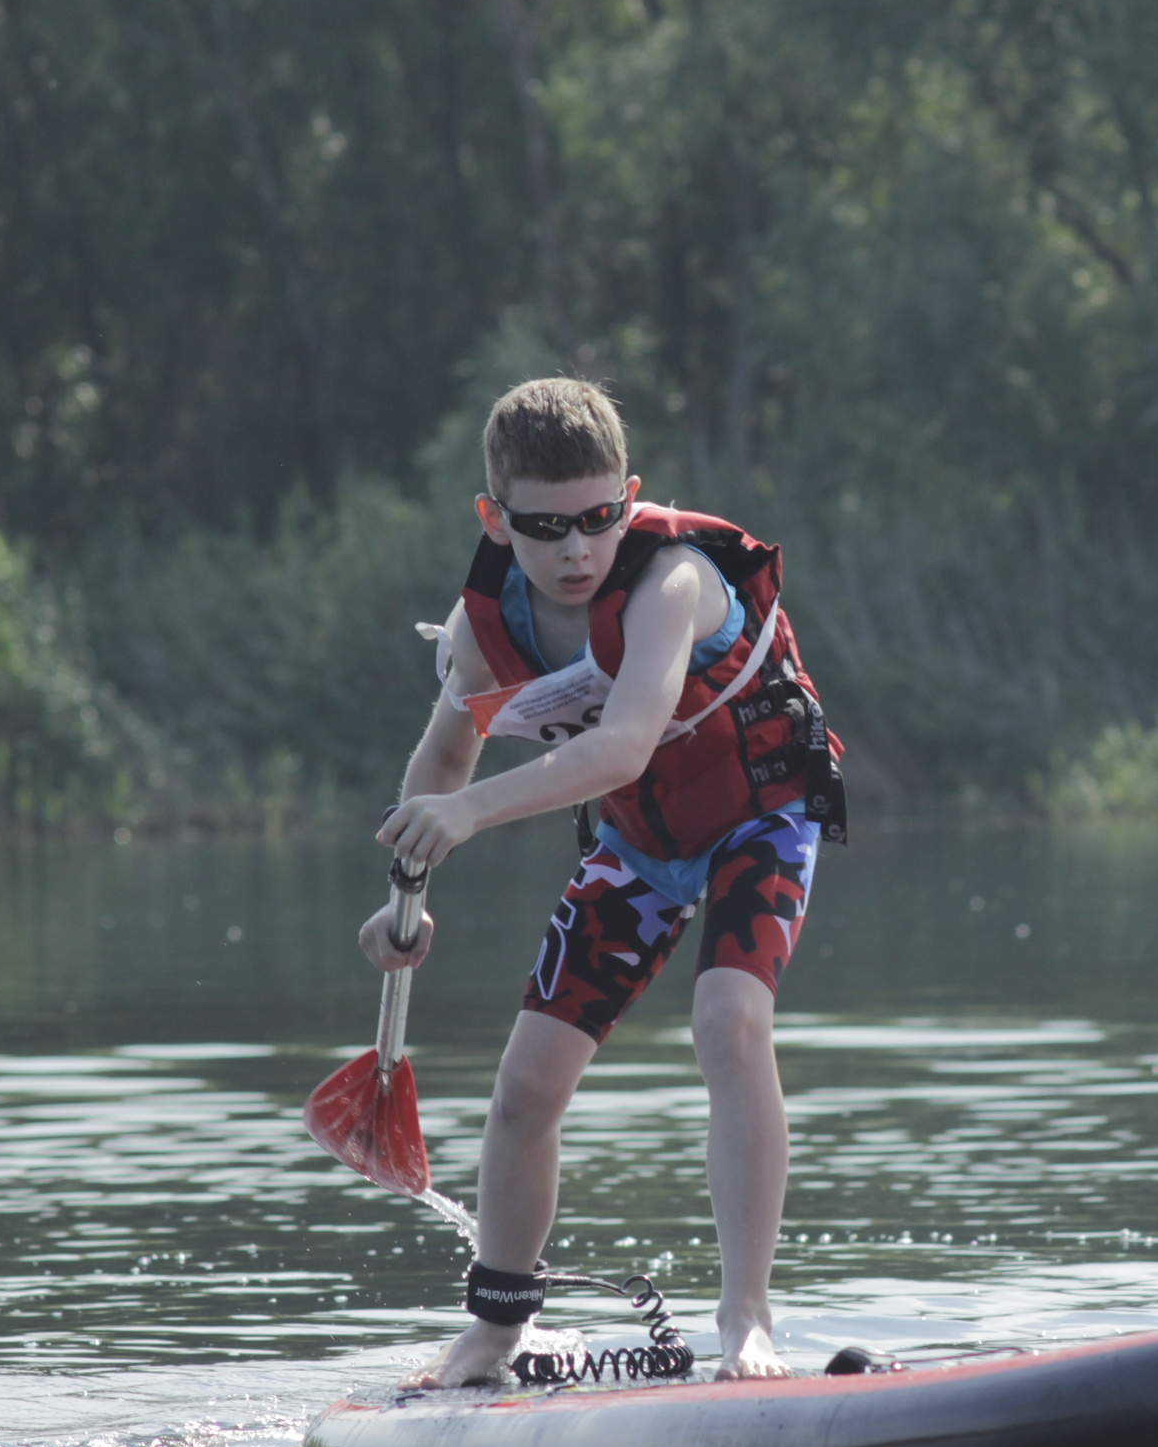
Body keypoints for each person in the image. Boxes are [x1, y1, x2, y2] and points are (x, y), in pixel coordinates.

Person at [360, 377, 845, 1387]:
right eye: (546, 529)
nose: (577, 551)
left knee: (728, 1021)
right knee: (525, 1087)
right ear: (496, 519)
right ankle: (495, 1333)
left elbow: (623, 746)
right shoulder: (480, 624)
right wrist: (405, 898)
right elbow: (442, 764)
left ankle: (746, 1321)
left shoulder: (668, 582)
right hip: (639, 848)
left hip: (761, 816)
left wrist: (470, 816)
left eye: (597, 519)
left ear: (630, 496)